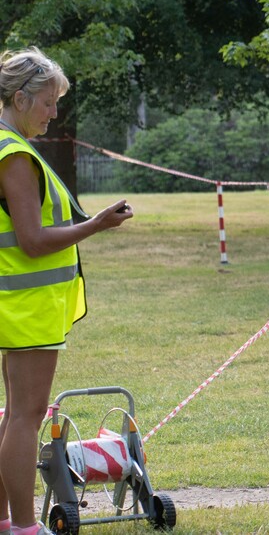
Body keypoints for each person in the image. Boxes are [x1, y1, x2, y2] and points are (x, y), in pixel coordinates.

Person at [0, 48, 133, 535]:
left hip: (20, 306)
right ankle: (23, 527)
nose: (54, 113)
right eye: (48, 102)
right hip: (27, 308)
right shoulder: (14, 154)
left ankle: (5, 522)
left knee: (15, 416)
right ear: (20, 99)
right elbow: (33, 241)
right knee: (25, 417)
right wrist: (96, 225)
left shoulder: (9, 145)